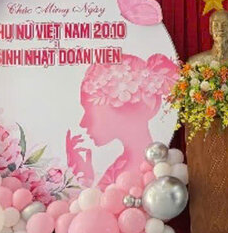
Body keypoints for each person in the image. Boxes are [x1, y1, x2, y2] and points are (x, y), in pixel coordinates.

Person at [71, 53, 179, 189]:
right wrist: (84, 177)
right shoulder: (122, 165)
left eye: (89, 110)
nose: (83, 122)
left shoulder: (134, 170)